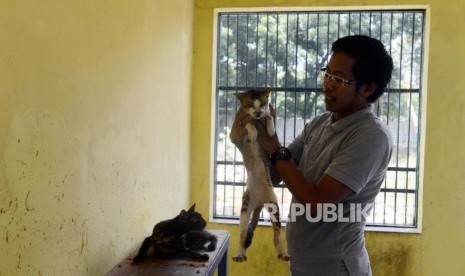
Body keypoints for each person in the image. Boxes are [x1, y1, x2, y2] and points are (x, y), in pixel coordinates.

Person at [231, 35, 394, 275]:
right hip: (303, 265)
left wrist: (274, 147)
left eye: (338, 79)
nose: (327, 84)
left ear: (368, 88)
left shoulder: (371, 136)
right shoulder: (319, 124)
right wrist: (245, 143)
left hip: (336, 268)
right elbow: (274, 176)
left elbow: (317, 204)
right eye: (327, 74)